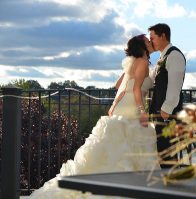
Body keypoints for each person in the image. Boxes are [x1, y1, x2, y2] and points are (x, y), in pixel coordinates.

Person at [29, 34, 160, 199]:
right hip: (132, 105)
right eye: (147, 41)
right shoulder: (141, 62)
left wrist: (114, 104)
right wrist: (142, 111)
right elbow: (135, 90)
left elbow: (119, 85)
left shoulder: (134, 62)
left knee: (114, 142)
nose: (150, 42)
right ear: (142, 46)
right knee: (130, 140)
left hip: (123, 104)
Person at [148, 23, 186, 168]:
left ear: (163, 36)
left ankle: (171, 186)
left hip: (167, 115)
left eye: (153, 38)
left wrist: (165, 111)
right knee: (162, 153)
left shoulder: (174, 55)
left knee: (167, 154)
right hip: (161, 113)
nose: (151, 42)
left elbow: (174, 88)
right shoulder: (162, 57)